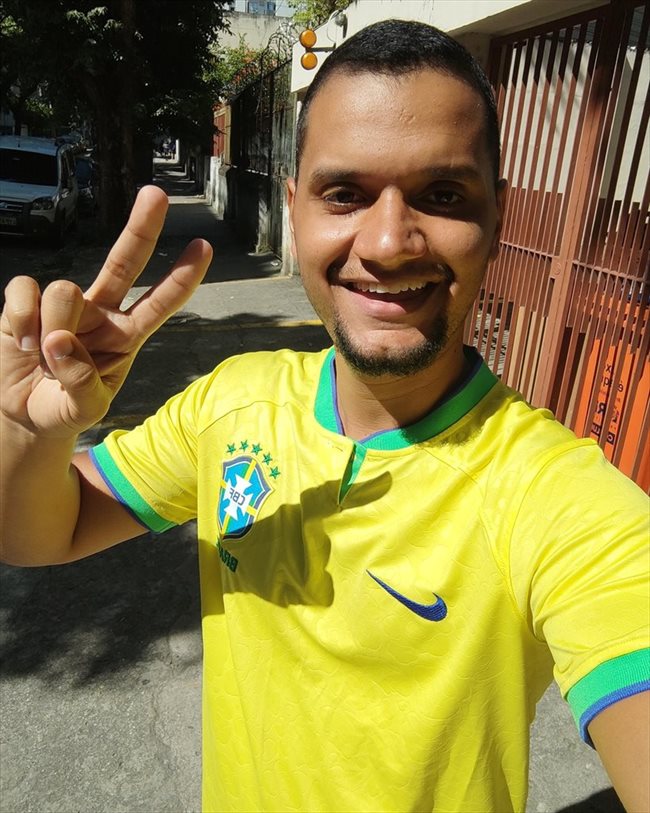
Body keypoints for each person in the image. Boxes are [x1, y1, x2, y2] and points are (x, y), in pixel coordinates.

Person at [1, 19, 648, 813]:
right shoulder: (231, 402)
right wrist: (32, 434)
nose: (388, 242)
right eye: (345, 194)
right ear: (294, 209)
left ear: (499, 216)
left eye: (443, 195)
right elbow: (40, 533)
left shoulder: (561, 499)